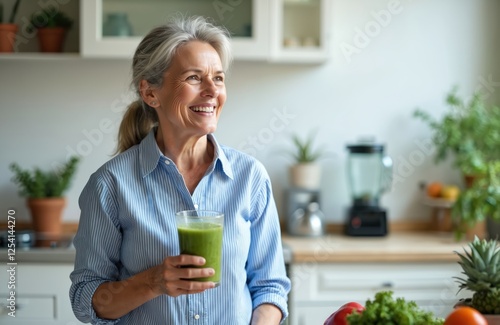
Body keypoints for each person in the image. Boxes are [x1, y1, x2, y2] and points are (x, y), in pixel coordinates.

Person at [69, 16, 291, 325]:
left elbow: (270, 289)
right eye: (194, 78)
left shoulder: (250, 178)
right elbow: (86, 300)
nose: (212, 91)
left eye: (219, 78)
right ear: (150, 93)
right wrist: (153, 282)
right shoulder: (111, 185)